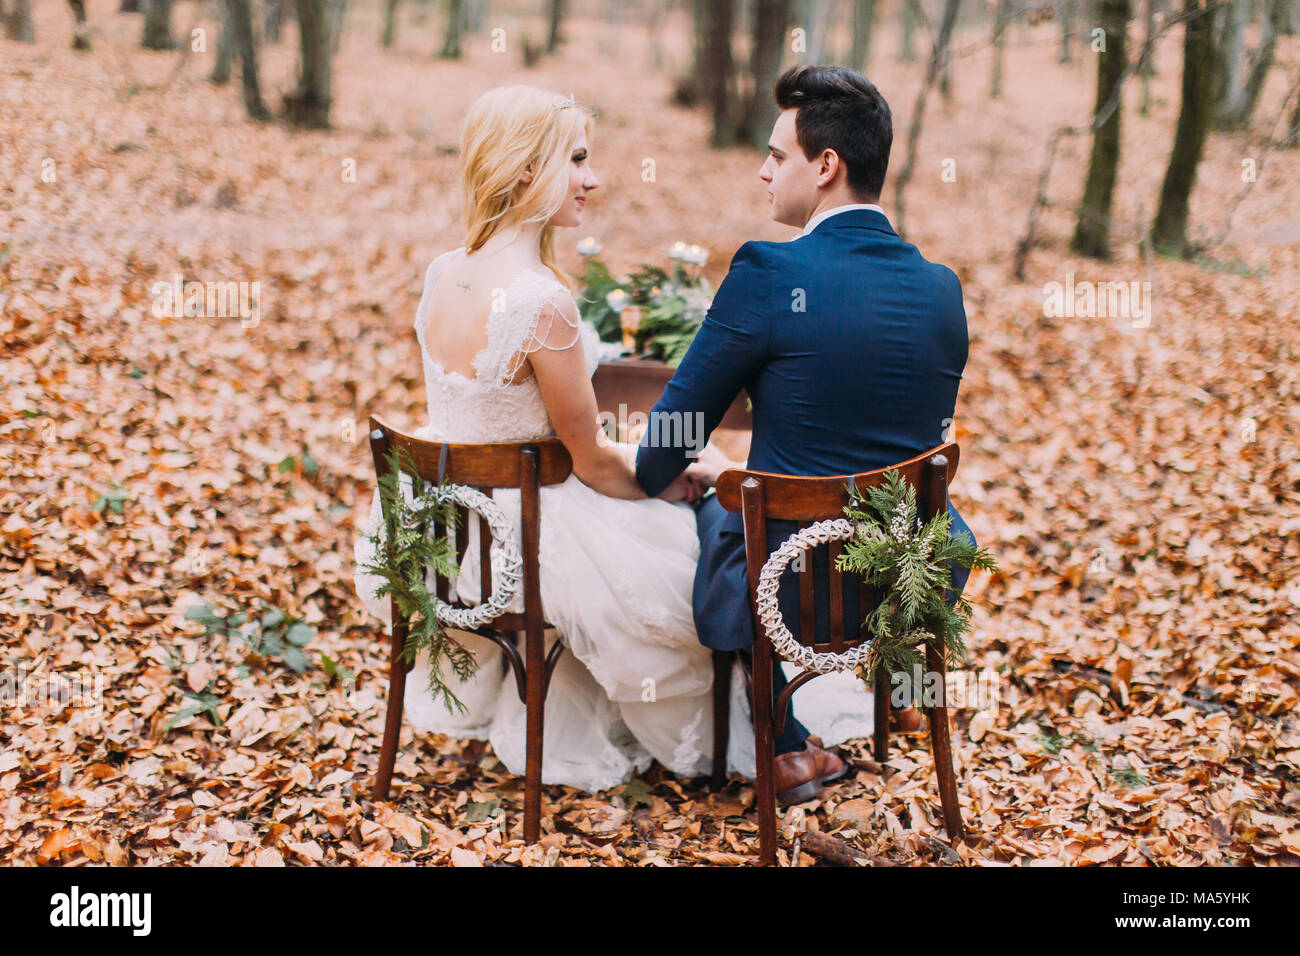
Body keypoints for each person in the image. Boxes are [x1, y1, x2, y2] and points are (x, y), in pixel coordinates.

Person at [354, 85, 879, 793]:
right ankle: (769, 746)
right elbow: (593, 462)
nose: (592, 179)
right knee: (692, 553)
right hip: (522, 540)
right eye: (576, 160)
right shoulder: (544, 302)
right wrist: (671, 475)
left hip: (445, 530)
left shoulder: (443, 272)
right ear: (522, 171)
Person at [636, 65, 976, 805]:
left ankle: (785, 749)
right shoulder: (942, 289)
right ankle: (898, 686)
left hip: (790, 591)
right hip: (909, 576)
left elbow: (664, 444)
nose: (762, 171)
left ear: (826, 167)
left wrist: (697, 470)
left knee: (715, 508)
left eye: (777, 155)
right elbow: (906, 430)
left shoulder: (767, 272)